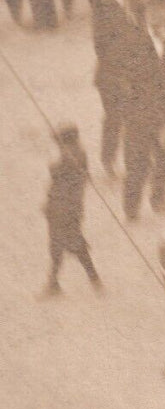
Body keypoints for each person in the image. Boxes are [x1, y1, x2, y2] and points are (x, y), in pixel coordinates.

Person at [42, 124, 101, 296]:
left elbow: (59, 174)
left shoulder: (73, 156)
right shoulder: (77, 153)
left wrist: (55, 167)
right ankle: (90, 279)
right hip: (65, 207)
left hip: (64, 208)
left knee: (63, 244)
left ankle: (56, 284)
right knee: (68, 243)